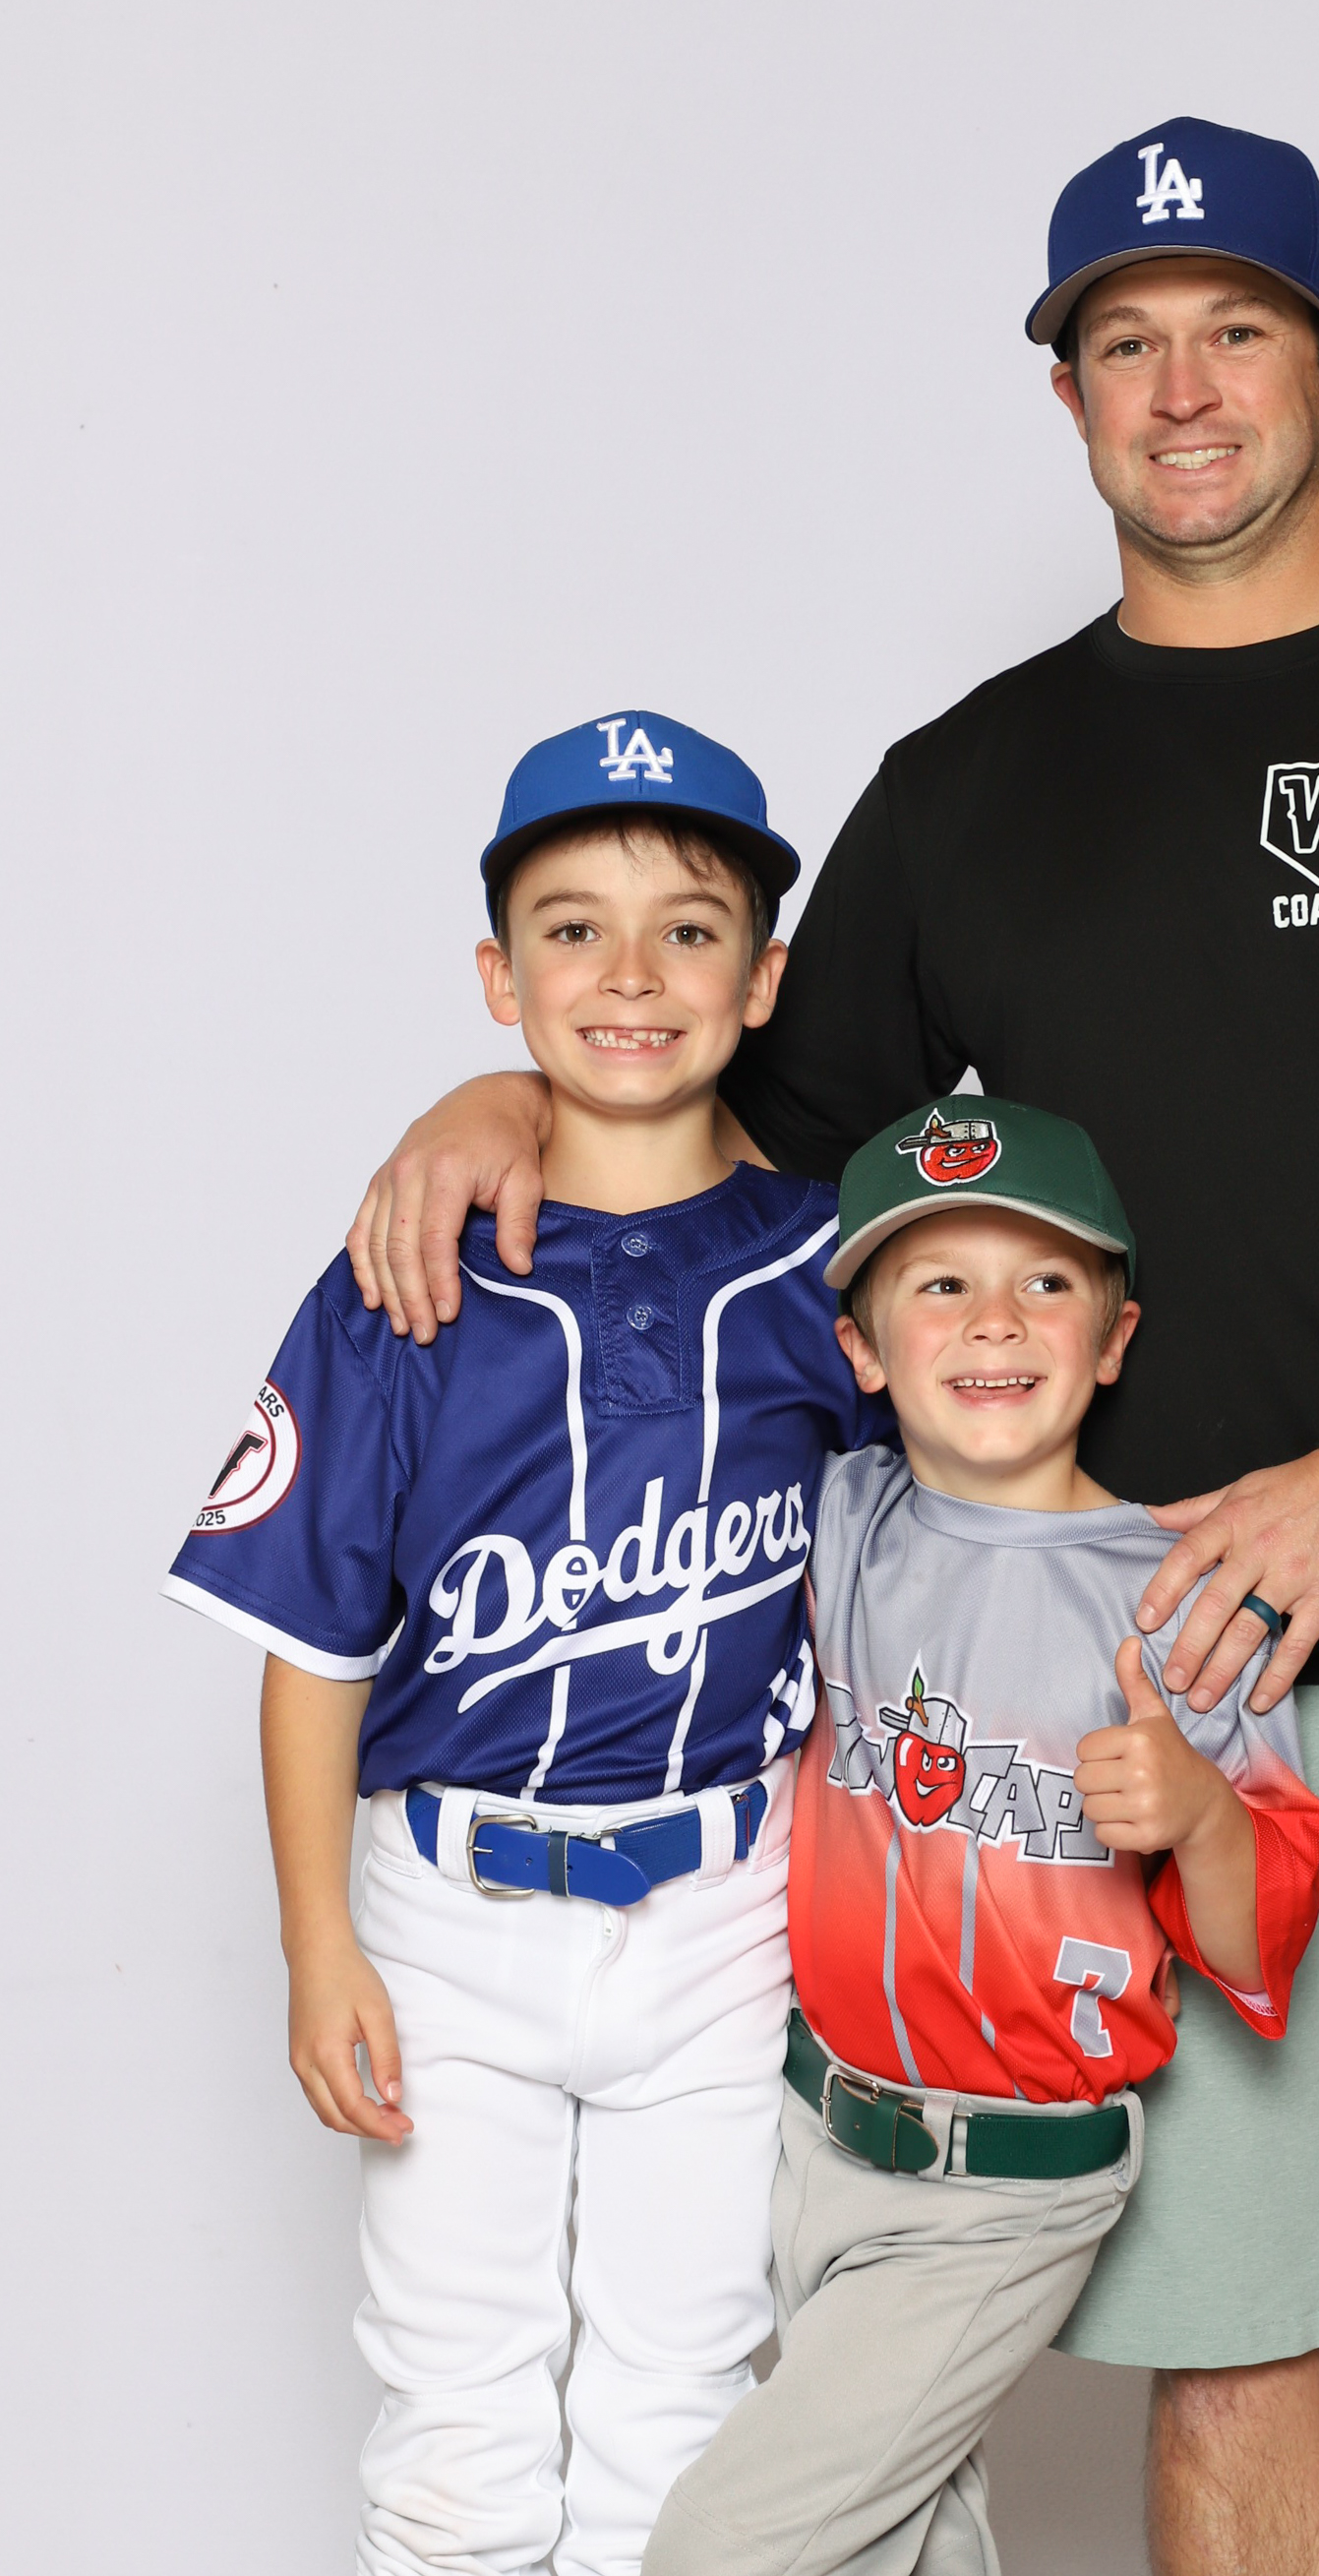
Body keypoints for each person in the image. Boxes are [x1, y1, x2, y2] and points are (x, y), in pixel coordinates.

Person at [347, 120, 1319, 2576]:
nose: (1183, 387)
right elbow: (740, 1145)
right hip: (1095, 1709)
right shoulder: (965, 786)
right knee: (1219, 2358)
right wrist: (506, 1094)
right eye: (1126, 342)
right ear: (1068, 396)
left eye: (1235, 330)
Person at [164, 713, 889, 2576]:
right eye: (573, 931)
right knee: (455, 2423)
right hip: (448, 1909)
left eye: (688, 931)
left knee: (686, 2406)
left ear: (763, 981)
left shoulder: (836, 1269)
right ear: (499, 978)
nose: (630, 975)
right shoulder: (404, 1269)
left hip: (728, 1909)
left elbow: (948, 1559)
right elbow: (310, 1640)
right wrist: (316, 1938)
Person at [643, 1095, 1319, 2576]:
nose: (994, 1321)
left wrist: (1201, 1813)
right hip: (813, 2137)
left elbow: (1258, 1945)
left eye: (1046, 1281)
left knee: (721, 2548)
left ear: (1116, 1336)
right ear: (863, 1350)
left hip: (1004, 2179)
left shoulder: (1187, 1594)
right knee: (903, 2544)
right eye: (941, 1284)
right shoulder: (838, 1516)